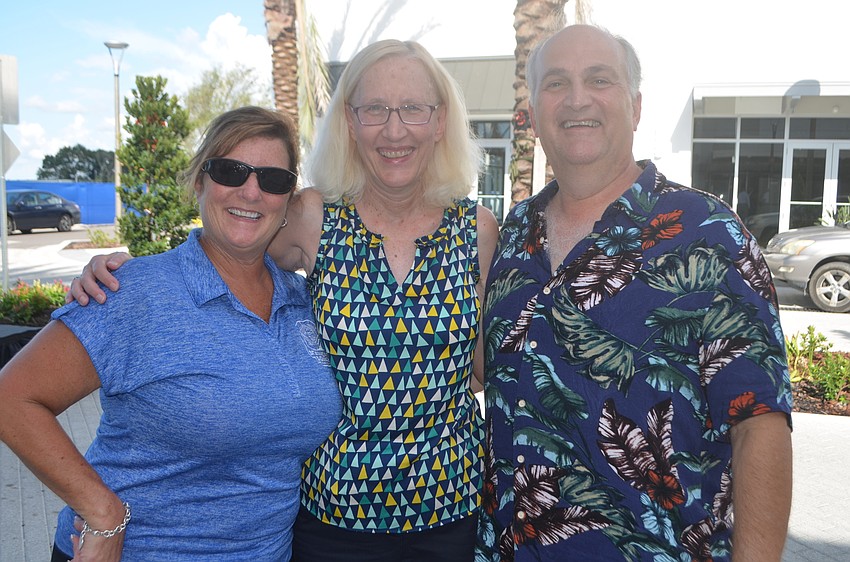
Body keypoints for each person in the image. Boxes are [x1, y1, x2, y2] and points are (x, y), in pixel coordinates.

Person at [67, 39, 499, 561]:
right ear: (348, 119)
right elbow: (225, 243)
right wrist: (129, 271)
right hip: (330, 518)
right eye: (374, 109)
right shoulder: (315, 216)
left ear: (439, 120)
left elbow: (481, 369)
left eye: (413, 108)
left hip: (451, 511)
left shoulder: (474, 229)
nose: (393, 129)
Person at [475, 25, 793, 562]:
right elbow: (484, 374)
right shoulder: (511, 236)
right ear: (531, 112)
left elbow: (759, 425)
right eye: (556, 83)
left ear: (636, 106)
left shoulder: (707, 233)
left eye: (599, 79)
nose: (577, 99)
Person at [0, 106, 342, 561]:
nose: (251, 191)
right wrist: (101, 511)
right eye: (230, 171)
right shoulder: (135, 291)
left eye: (273, 179)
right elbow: (12, 398)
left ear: (287, 202)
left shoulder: (305, 300)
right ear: (200, 182)